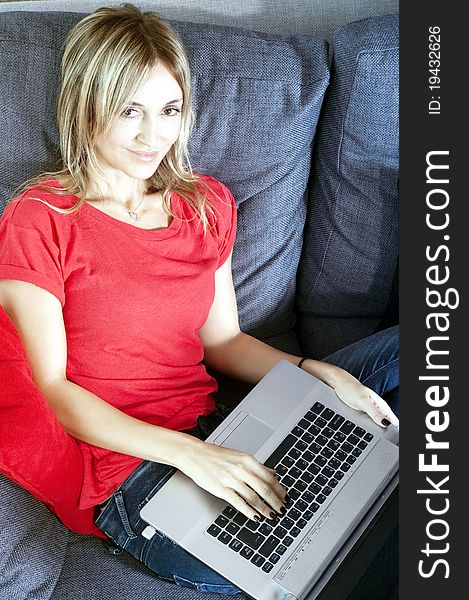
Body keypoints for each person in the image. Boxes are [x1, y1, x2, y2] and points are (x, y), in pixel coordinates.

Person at [0, 4, 399, 595]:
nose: (152, 136)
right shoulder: (42, 219)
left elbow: (224, 341)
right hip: (135, 472)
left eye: (168, 110)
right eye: (128, 111)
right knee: (325, 560)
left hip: (229, 426)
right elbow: (53, 391)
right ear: (86, 109)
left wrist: (317, 373)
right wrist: (191, 456)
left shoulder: (205, 206)